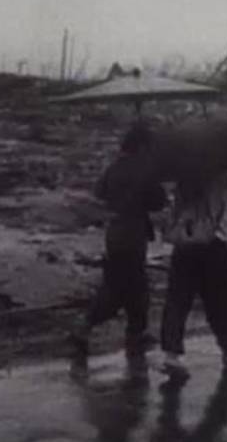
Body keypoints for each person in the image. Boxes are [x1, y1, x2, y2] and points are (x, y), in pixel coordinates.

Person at [68, 122, 167, 368]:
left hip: (115, 234)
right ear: (142, 146)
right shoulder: (145, 169)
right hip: (133, 236)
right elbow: (158, 202)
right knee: (122, 289)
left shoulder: (113, 169)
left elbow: (98, 195)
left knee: (133, 286)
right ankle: (87, 325)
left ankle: (136, 332)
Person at [159, 169, 227, 378]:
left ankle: (172, 355)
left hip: (185, 241)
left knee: (178, 298)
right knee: (220, 299)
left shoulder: (184, 173)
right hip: (215, 243)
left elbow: (173, 206)